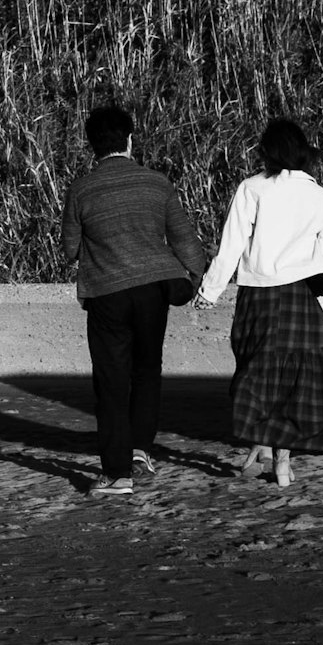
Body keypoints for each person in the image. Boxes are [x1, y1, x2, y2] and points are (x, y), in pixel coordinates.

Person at [201, 117, 323, 484]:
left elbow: (231, 246)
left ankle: (269, 447)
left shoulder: (252, 188)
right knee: (294, 380)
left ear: (268, 153)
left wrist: (210, 290)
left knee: (258, 370)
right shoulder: (317, 194)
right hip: (301, 298)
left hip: (258, 297)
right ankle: (278, 458)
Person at [62, 103, 210, 497]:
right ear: (130, 139)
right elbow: (185, 241)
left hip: (107, 292)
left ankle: (116, 474)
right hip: (153, 289)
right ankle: (141, 451)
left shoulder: (81, 189)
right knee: (147, 371)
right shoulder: (156, 183)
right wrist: (195, 282)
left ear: (92, 145)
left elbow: (70, 250)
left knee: (111, 382)